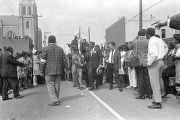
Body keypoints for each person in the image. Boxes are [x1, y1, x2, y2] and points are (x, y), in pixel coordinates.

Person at [146, 28, 168, 109]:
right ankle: (157, 99)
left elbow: (154, 54)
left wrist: (149, 63)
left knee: (154, 83)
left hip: (154, 63)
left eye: (146, 34)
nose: (145, 35)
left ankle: (157, 102)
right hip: (160, 61)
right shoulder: (159, 39)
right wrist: (162, 54)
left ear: (148, 34)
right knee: (157, 82)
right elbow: (166, 47)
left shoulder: (151, 41)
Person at [41, 35, 64, 106]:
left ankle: (54, 100)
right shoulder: (60, 49)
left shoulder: (45, 49)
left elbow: (43, 61)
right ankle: (56, 98)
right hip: (58, 70)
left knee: (50, 85)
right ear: (55, 41)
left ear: (48, 41)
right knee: (57, 84)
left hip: (49, 70)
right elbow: (63, 60)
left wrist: (42, 70)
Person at [133, 30, 152, 100]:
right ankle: (149, 94)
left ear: (138, 34)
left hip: (139, 62)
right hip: (146, 62)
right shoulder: (148, 41)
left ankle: (141, 94)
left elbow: (131, 45)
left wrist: (136, 37)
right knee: (147, 78)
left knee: (140, 79)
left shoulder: (136, 41)